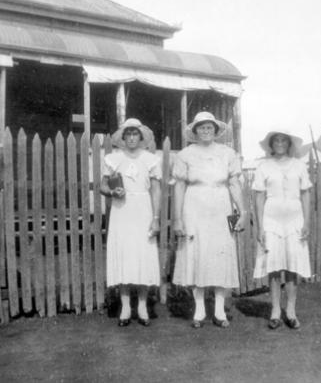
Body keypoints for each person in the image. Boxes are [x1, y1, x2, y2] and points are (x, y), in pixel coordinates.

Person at [172, 111, 248, 328]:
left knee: (220, 256)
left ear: (216, 130)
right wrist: (178, 218)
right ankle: (199, 310)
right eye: (201, 127)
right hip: (194, 208)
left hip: (221, 207)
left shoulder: (227, 153)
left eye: (209, 127)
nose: (206, 131)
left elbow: (234, 184)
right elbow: (179, 187)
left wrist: (242, 212)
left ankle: (219, 311)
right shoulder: (185, 155)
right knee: (197, 255)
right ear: (195, 131)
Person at [100, 118, 162, 327]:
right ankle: (126, 307)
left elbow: (155, 190)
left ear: (141, 137)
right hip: (121, 211)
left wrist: (155, 219)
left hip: (143, 209)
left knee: (142, 256)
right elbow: (102, 186)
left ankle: (142, 306)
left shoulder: (151, 159)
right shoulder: (113, 158)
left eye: (136, 134)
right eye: (128, 134)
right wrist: (112, 191)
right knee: (125, 255)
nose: (132, 138)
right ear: (123, 138)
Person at [252, 129, 312, 330]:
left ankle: (291, 311)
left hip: (295, 219)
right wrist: (260, 226)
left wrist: (307, 222)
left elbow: (305, 194)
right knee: (275, 267)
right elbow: (259, 198)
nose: (279, 143)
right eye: (275, 140)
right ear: (271, 144)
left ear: (289, 144)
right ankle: (275, 311)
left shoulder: (299, 166)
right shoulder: (264, 166)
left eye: (283, 140)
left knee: (293, 267)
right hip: (271, 220)